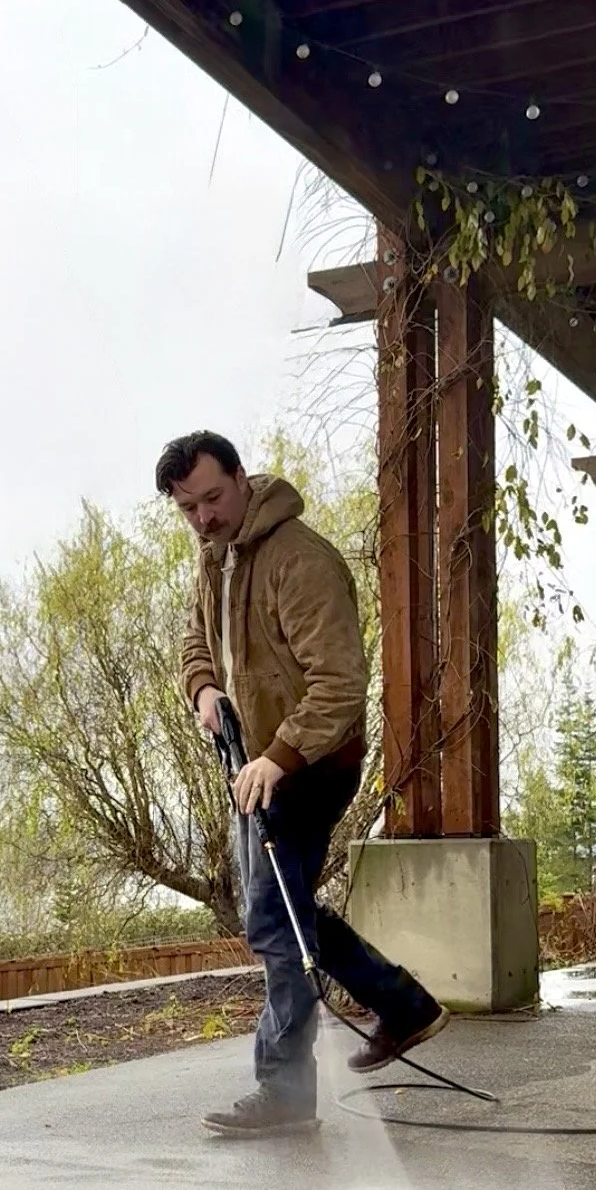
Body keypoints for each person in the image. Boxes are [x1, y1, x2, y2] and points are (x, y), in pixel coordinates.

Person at [157, 429, 447, 1139]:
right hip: (256, 768)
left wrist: (277, 757)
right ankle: (402, 1005)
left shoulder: (300, 560)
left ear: (243, 478)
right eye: (188, 508)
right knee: (283, 913)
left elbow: (341, 687)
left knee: (272, 919)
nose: (204, 518)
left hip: (312, 764)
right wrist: (202, 692)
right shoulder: (216, 560)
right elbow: (196, 642)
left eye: (213, 499)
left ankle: (285, 1094)